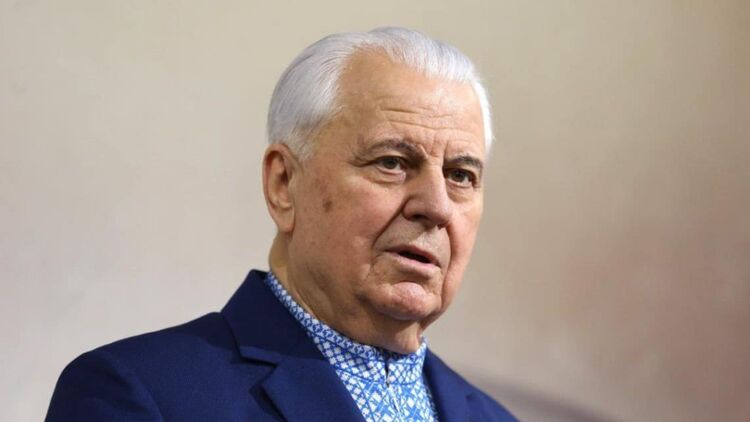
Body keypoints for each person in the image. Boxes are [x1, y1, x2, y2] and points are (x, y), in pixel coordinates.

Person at [47, 26, 518, 422]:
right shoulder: (141, 394)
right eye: (392, 162)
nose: (436, 206)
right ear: (284, 184)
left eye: (461, 175)